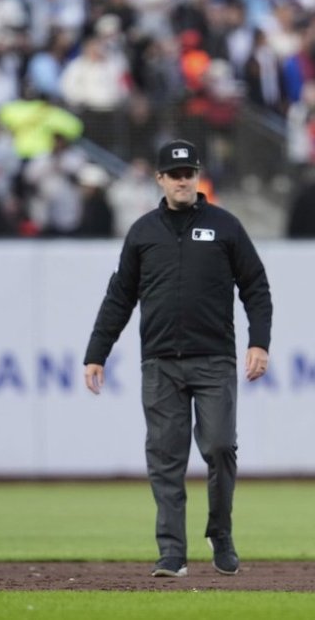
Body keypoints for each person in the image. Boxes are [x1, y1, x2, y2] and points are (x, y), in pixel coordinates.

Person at [83, 139, 273, 578]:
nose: (183, 179)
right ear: (161, 179)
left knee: (221, 446)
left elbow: (256, 287)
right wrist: (97, 352)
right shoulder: (143, 232)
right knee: (166, 458)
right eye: (175, 173)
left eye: (189, 172)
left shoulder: (225, 226)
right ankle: (172, 551)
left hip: (214, 359)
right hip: (161, 362)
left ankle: (220, 532)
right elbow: (119, 297)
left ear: (197, 175)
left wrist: (259, 342)